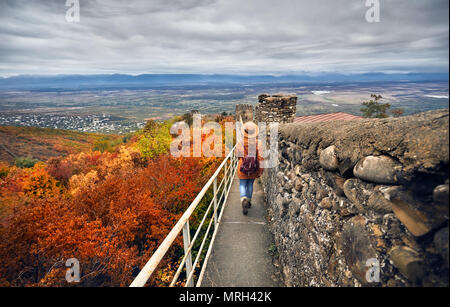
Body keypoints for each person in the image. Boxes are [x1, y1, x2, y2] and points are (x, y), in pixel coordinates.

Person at [236, 120, 264, 215]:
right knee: (250, 184)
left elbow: (238, 155)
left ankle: (243, 199)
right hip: (254, 168)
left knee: (242, 184)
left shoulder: (240, 142)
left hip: (243, 167)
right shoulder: (258, 143)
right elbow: (261, 157)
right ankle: (248, 200)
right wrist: (260, 170)